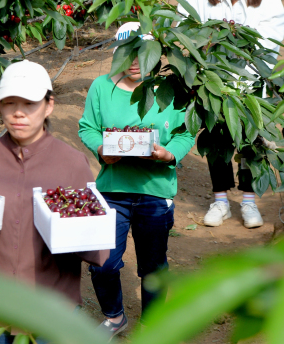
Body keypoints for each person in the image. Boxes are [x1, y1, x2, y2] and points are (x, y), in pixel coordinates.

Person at [0, 60, 109, 344]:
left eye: (29, 103)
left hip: (51, 307)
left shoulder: (72, 164)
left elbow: (94, 244)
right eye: (9, 103)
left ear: (49, 105)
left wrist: (80, 233)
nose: (18, 113)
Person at [78, 23, 196, 339]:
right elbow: (87, 127)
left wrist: (168, 155)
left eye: (141, 53)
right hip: (113, 189)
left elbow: (185, 133)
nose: (133, 62)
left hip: (155, 192)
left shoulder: (171, 90)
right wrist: (102, 149)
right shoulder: (101, 87)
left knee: (153, 266)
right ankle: (115, 317)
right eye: (126, 53)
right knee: (102, 262)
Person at [178, 0, 284, 229]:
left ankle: (249, 201)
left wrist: (256, 61)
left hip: (252, 75)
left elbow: (275, 23)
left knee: (251, 137)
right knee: (216, 137)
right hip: (215, 75)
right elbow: (185, 18)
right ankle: (221, 200)